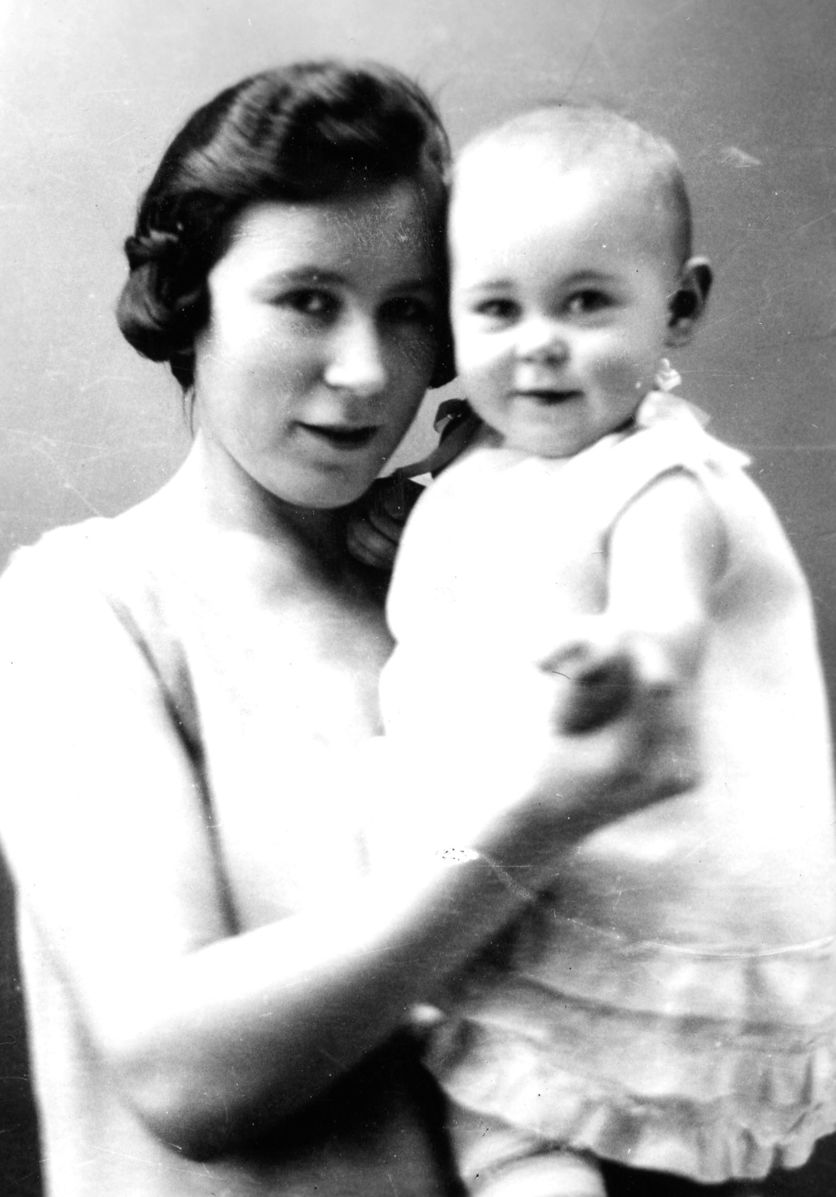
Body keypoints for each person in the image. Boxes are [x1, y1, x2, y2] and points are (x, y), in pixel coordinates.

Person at [0, 65, 684, 1197]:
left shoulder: (473, 578)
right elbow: (181, 1074)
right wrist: (527, 827)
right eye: (308, 299)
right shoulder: (83, 605)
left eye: (407, 310)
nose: (366, 373)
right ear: (190, 300)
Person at [378, 105, 836, 1196]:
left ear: (677, 308)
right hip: (519, 874)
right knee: (509, 1123)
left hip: (641, 906)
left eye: (585, 303)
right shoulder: (485, 465)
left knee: (535, 1116)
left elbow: (662, 608)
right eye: (498, 308)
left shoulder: (659, 478)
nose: (538, 341)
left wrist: (630, 654)